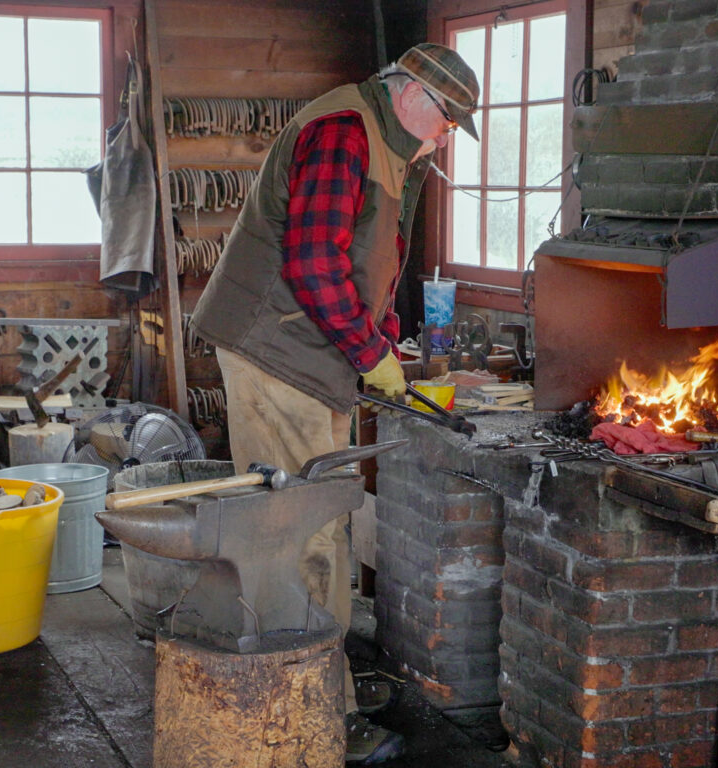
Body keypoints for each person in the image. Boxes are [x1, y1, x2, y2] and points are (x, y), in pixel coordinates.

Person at [190, 42, 480, 765]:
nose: (444, 136)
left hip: (311, 353)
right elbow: (314, 264)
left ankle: (323, 687)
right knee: (298, 533)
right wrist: (371, 354)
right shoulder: (344, 133)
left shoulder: (387, 140)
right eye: (446, 120)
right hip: (275, 350)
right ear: (409, 93)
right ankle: (314, 715)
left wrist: (381, 339)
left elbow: (362, 262)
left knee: (319, 526)